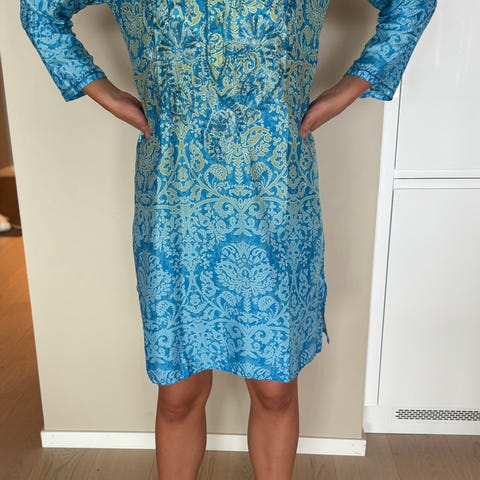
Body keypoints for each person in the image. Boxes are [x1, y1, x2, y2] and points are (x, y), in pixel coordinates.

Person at [20, 0, 437, 478]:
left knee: (275, 388)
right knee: (178, 391)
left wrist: (349, 89)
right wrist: (107, 95)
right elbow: (39, 9)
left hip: (276, 198)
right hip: (176, 202)